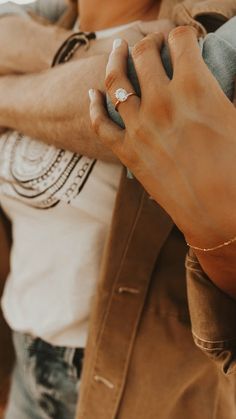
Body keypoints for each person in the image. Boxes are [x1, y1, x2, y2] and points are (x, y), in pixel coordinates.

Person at [0, 1, 236, 419]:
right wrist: (70, 51)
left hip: (136, 388)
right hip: (27, 352)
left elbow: (138, 104)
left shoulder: (195, 33)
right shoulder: (44, 17)